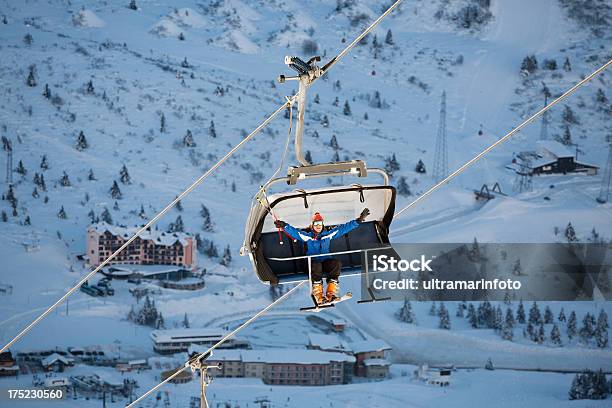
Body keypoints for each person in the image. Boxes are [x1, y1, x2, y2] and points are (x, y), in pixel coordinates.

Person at [274, 208, 370, 304]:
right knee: (316, 266)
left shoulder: (328, 235)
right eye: (316, 224)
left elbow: (343, 229)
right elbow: (295, 233)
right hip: (310, 265)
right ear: (312, 225)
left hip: (324, 262)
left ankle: (331, 293)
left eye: (320, 223)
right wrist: (284, 226)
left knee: (336, 264)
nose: (318, 226)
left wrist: (359, 220)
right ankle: (318, 295)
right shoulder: (307, 237)